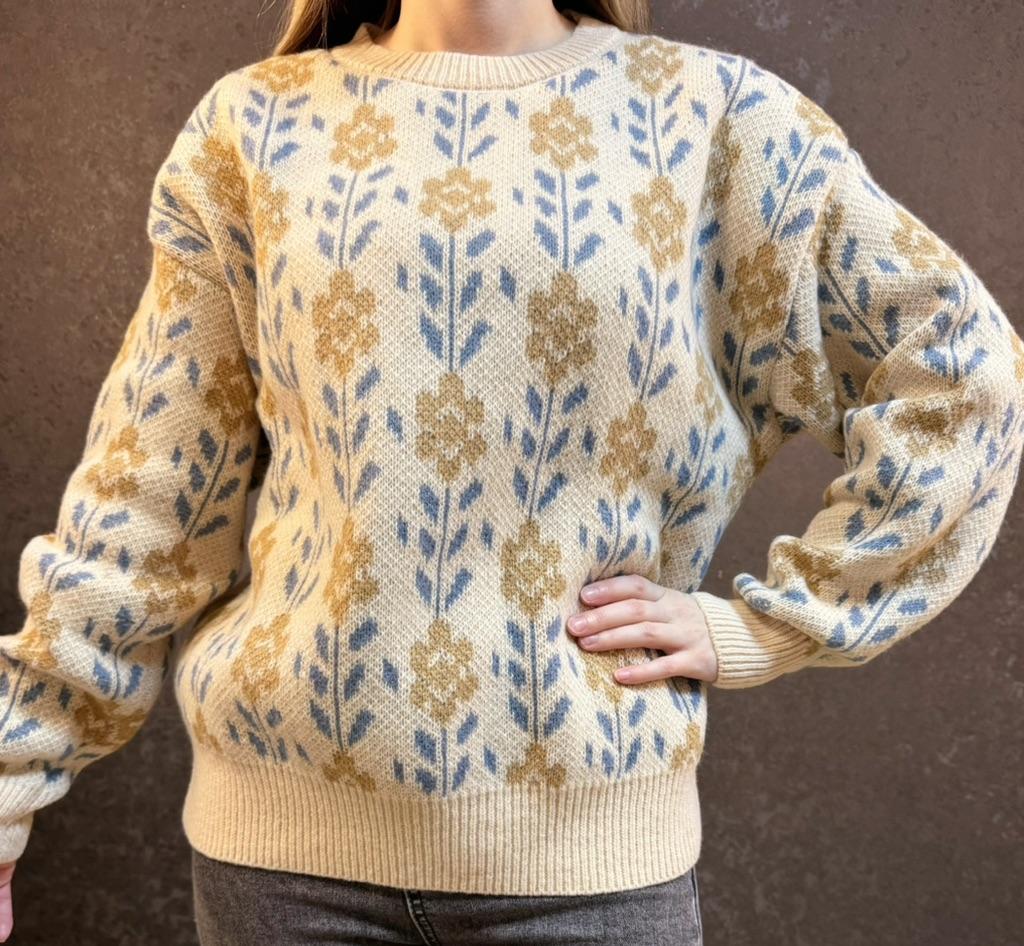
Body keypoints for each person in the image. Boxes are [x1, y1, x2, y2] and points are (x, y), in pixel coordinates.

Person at [2, 0, 1022, 943]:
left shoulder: (719, 119)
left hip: (591, 873)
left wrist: (767, 627)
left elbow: (962, 372)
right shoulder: (252, 127)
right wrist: (7, 782)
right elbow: (150, 493)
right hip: (281, 868)